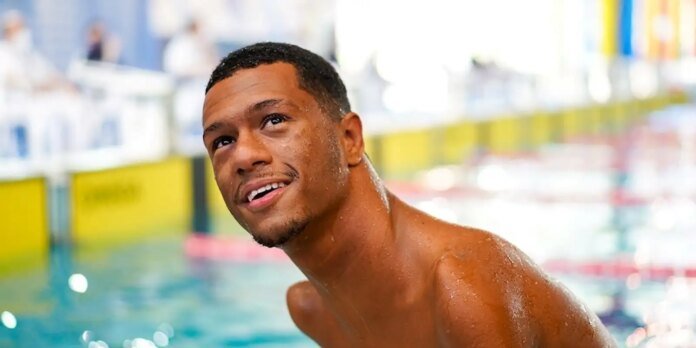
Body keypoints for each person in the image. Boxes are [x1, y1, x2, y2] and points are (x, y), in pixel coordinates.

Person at [202, 42, 616, 347]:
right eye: (221, 141)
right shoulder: (311, 310)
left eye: (274, 120)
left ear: (350, 138)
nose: (243, 156)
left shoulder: (462, 288)